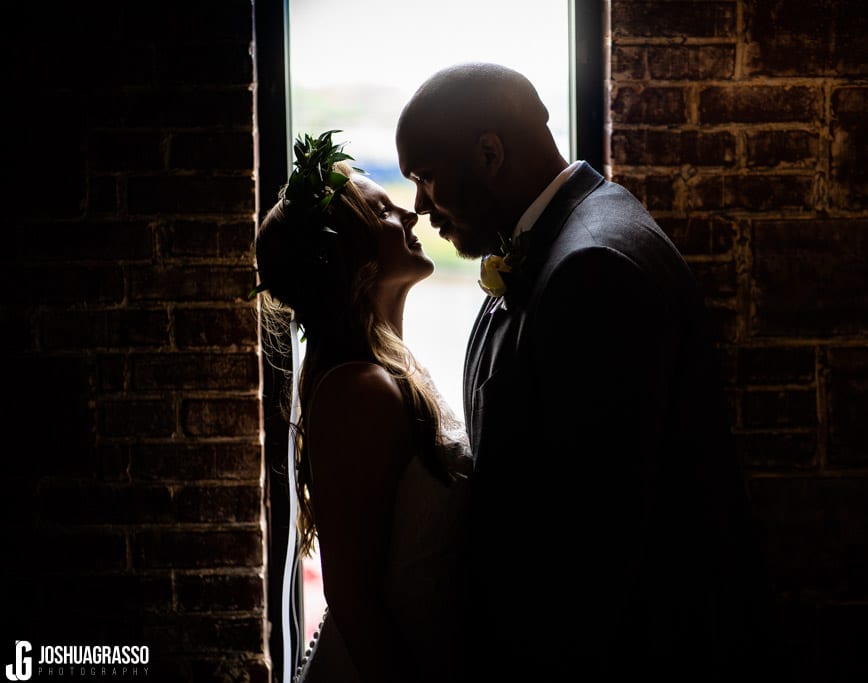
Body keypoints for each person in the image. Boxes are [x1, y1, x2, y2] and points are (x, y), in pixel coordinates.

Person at [396, 63, 785, 680]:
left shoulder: (593, 269)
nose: (419, 204)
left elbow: (593, 545)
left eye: (426, 176)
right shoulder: (570, 237)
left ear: (490, 152)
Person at [252, 130, 473, 683]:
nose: (411, 213)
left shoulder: (388, 369)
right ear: (350, 254)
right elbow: (352, 599)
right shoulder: (361, 391)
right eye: (382, 210)